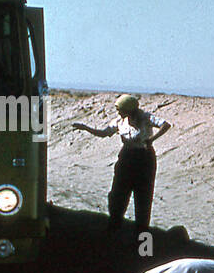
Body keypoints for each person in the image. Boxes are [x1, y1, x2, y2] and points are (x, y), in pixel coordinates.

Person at [72, 95, 171, 234]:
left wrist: (151, 139)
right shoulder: (119, 121)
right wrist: (85, 128)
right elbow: (104, 133)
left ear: (129, 109)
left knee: (143, 198)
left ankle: (141, 237)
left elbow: (165, 125)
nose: (118, 112)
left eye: (120, 109)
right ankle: (113, 230)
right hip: (126, 158)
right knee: (117, 195)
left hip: (144, 159)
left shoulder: (145, 117)